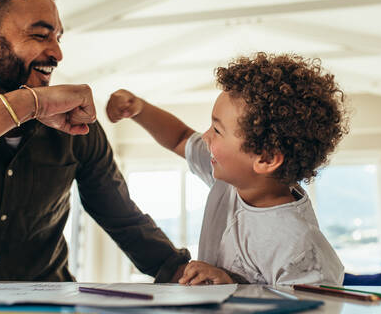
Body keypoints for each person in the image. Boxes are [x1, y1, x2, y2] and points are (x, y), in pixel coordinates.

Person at [0, 0, 189, 281]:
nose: (57, 53)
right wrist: (32, 103)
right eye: (40, 35)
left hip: (49, 304)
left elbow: (122, 217)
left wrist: (182, 272)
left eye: (57, 37)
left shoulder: (77, 126)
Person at [106, 52, 349, 286]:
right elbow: (180, 137)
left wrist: (233, 284)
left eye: (217, 130)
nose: (205, 136)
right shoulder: (230, 179)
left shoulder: (300, 247)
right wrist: (139, 108)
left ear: (265, 159)